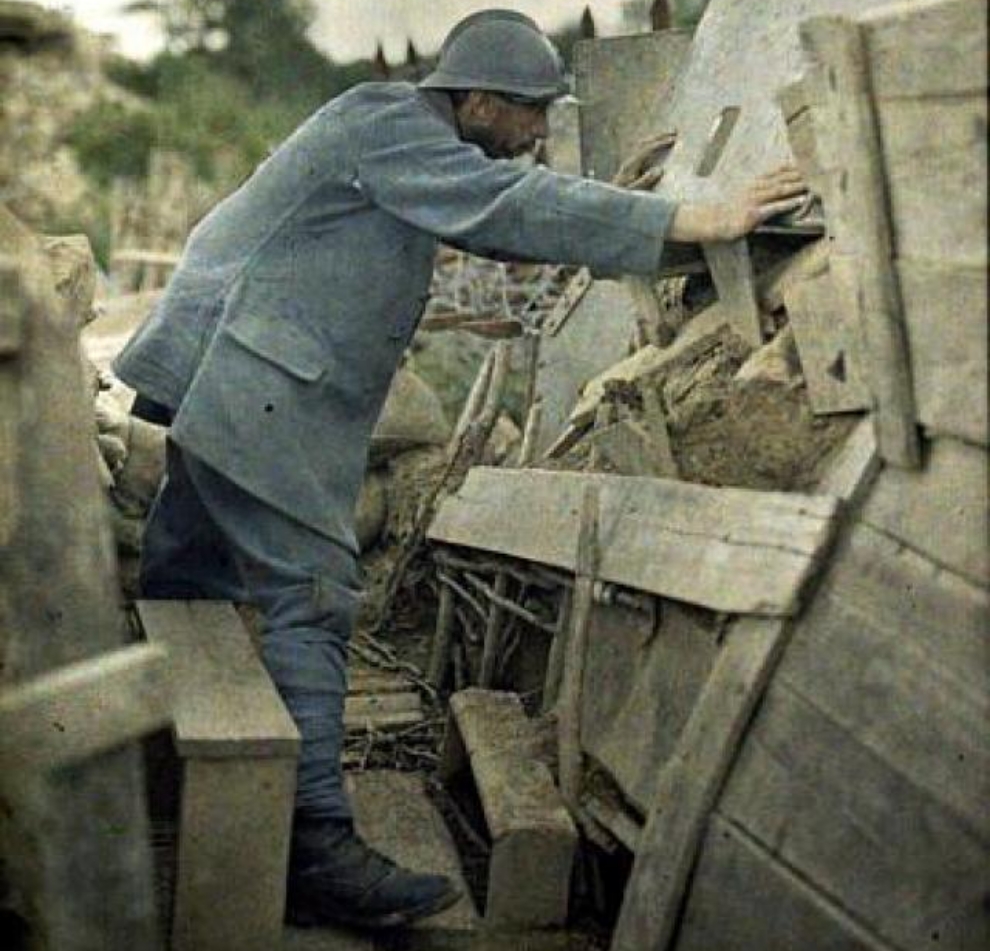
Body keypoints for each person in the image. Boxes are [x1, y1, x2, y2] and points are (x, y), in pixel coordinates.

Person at [114, 8, 806, 931]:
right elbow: (513, 208)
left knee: (189, 573)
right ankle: (313, 847)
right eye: (526, 113)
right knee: (315, 590)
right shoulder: (394, 123)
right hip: (258, 375)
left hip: (232, 367)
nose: (532, 135)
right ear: (474, 100)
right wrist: (695, 215)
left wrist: (680, 237)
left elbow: (487, 226)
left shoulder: (390, 134)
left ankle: (153, 770)